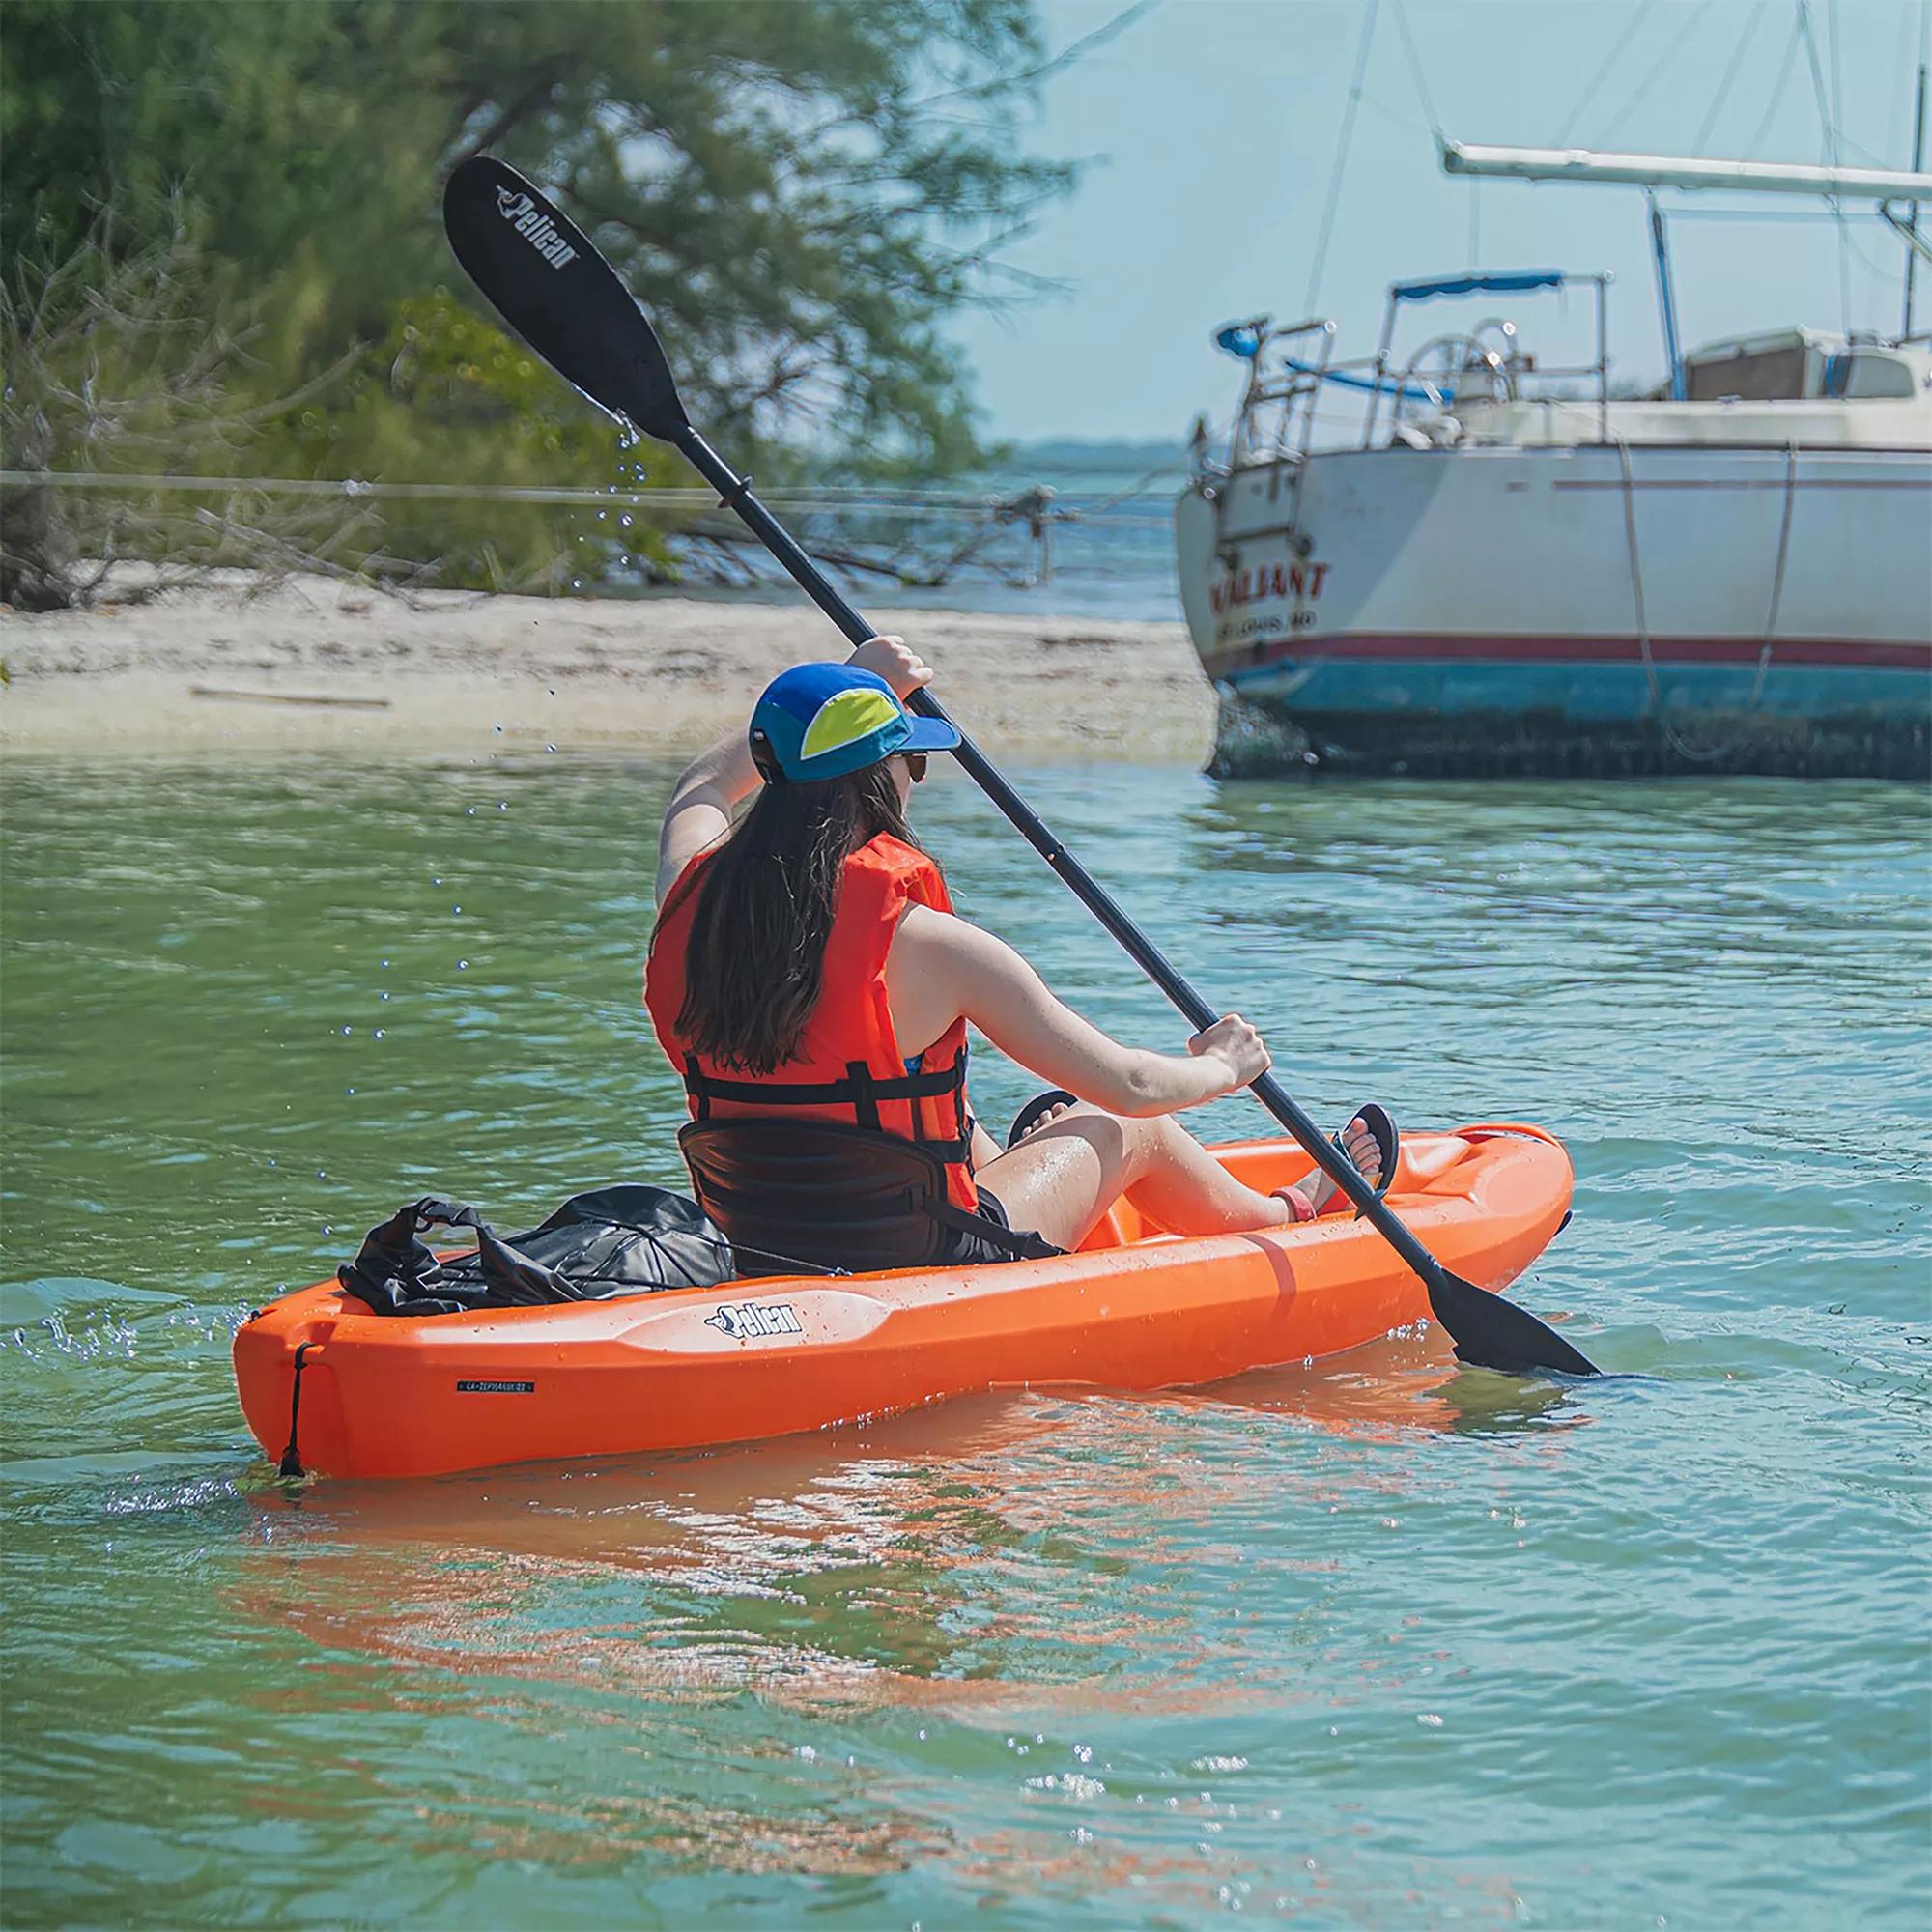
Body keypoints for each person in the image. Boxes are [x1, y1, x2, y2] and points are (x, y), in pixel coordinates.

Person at [644, 635, 1390, 1267]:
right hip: (919, 1260)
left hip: (760, 1241)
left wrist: (850, 686)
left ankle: (1014, 1164)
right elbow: (1131, 1084)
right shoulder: (934, 947)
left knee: (944, 1112)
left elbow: (702, 786)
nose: (915, 782)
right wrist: (1224, 1065)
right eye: (913, 761)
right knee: (1126, 1125)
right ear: (879, 776)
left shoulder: (691, 898)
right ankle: (1287, 1218)